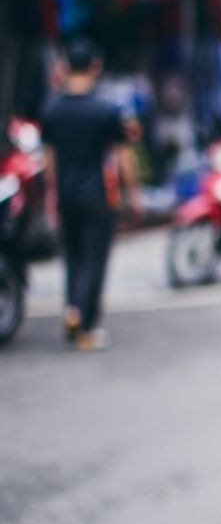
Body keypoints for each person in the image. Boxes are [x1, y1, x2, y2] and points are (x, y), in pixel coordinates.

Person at [42, 39, 142, 350]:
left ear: (65, 67)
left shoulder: (53, 110)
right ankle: (84, 323)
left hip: (67, 195)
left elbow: (49, 161)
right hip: (98, 195)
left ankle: (73, 309)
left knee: (73, 257)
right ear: (95, 66)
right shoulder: (105, 111)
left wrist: (52, 195)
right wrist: (134, 195)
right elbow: (123, 158)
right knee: (94, 259)